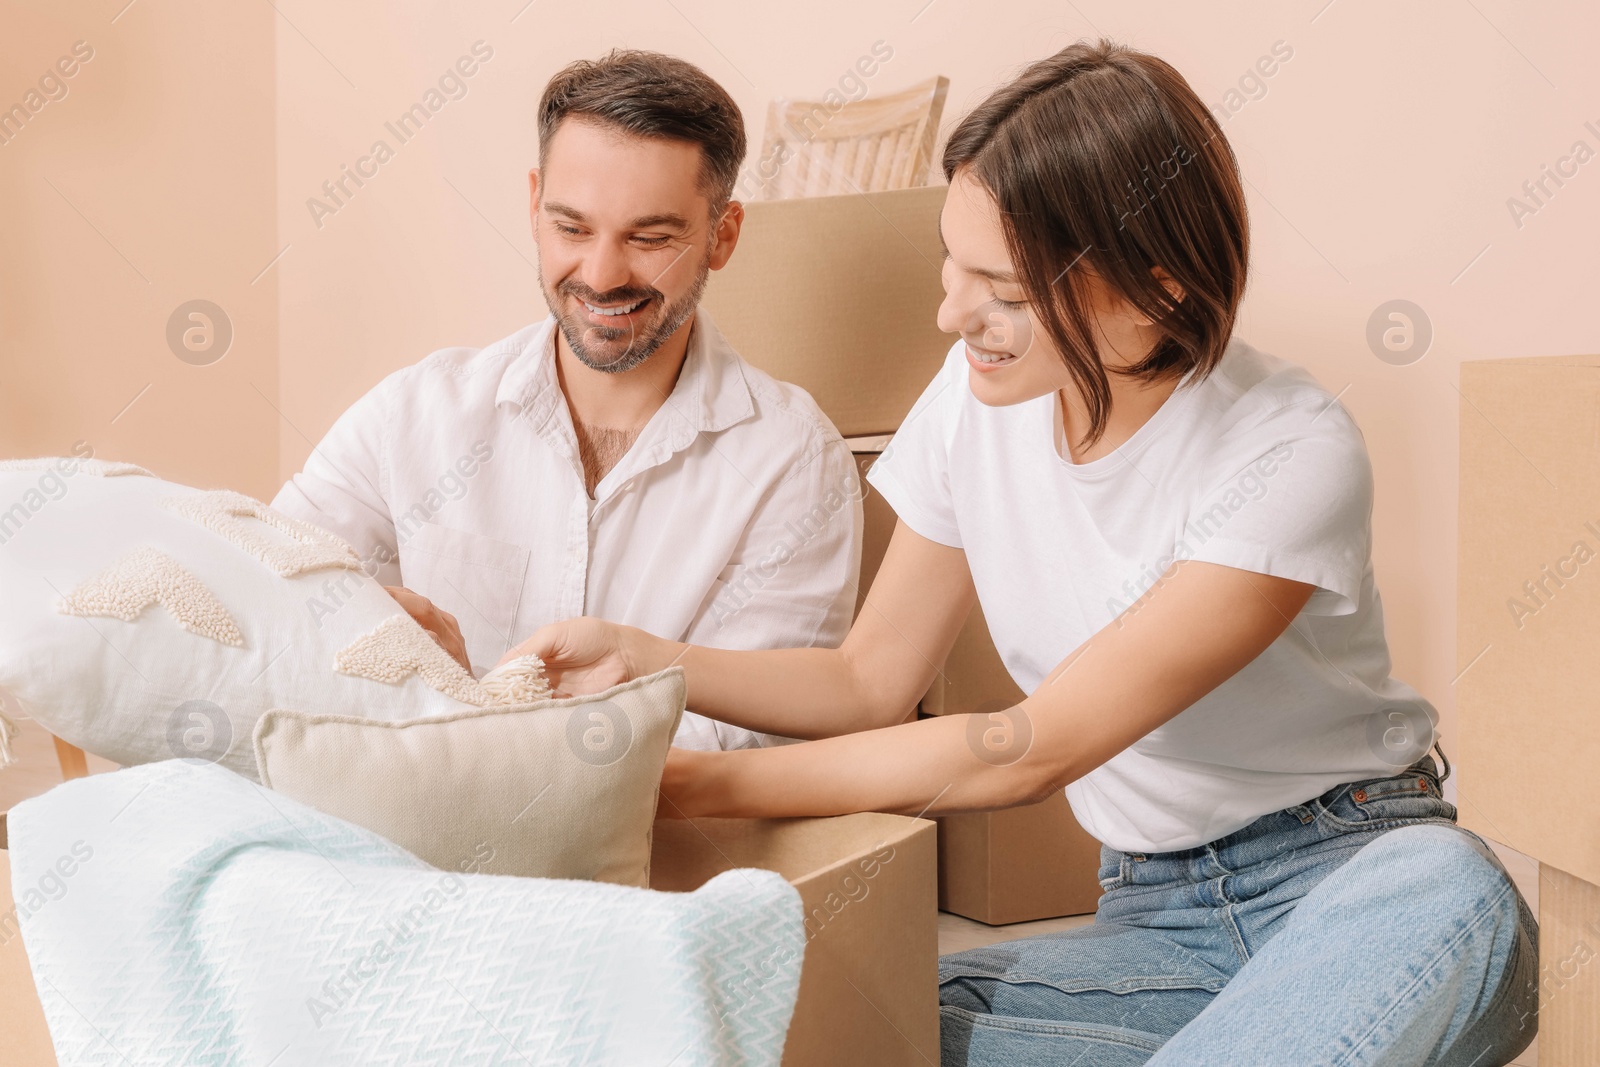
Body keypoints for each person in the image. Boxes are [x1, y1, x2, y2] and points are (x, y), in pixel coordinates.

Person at [503, 40, 1539, 1067]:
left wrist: (678, 784)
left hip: (1351, 873)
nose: (953, 315)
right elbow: (869, 679)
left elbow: (1026, 748)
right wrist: (644, 657)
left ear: (1155, 282)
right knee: (834, 1008)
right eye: (952, 265)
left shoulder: (1288, 449)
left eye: (1001, 287)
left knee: (1449, 890)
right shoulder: (975, 399)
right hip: (1152, 927)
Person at [273, 50, 862, 751]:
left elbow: (741, 742)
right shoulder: (414, 415)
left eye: (650, 237)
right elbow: (268, 598)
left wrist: (475, 724)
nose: (602, 274)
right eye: (572, 228)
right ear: (533, 205)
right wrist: (371, 650)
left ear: (721, 236)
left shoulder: (792, 462)